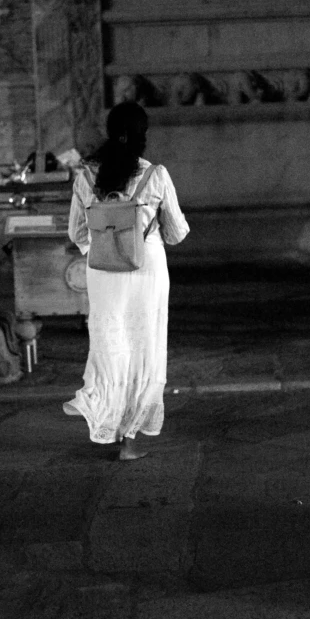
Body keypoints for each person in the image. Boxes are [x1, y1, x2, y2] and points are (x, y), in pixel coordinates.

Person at [63, 102, 190, 460]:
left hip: (103, 270)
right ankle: (128, 440)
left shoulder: (87, 176)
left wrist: (104, 248)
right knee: (144, 347)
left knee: (109, 340)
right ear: (142, 136)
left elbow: (76, 231)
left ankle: (95, 399)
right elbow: (177, 233)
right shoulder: (156, 176)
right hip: (147, 269)